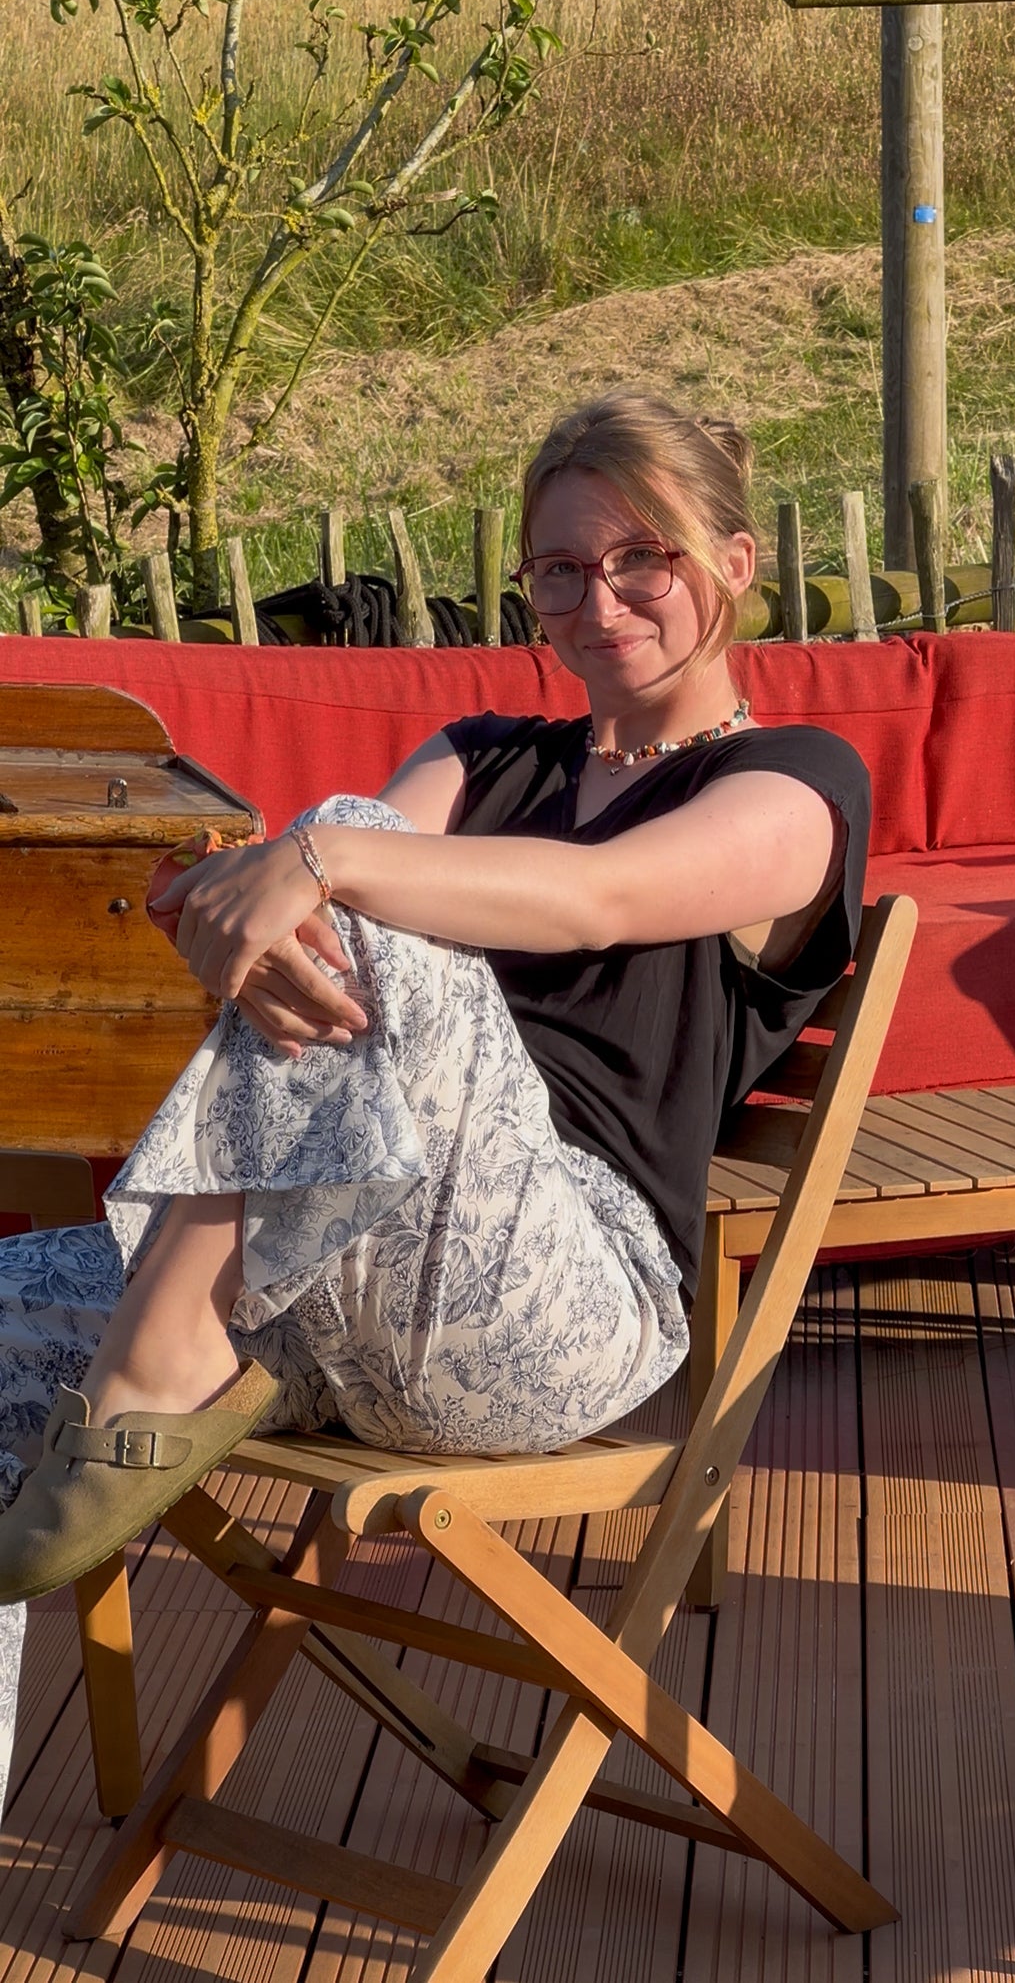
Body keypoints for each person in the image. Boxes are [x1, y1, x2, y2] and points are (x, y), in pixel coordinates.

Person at [0, 389, 869, 1803]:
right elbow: (320, 927)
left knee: (350, 844)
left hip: (563, 1305)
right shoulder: (481, 757)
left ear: (733, 561)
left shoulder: (797, 784)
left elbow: (596, 898)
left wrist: (314, 865)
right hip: (316, 1299)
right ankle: (171, 1346)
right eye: (561, 570)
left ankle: (162, 1355)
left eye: (642, 558)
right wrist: (252, 918)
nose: (600, 601)